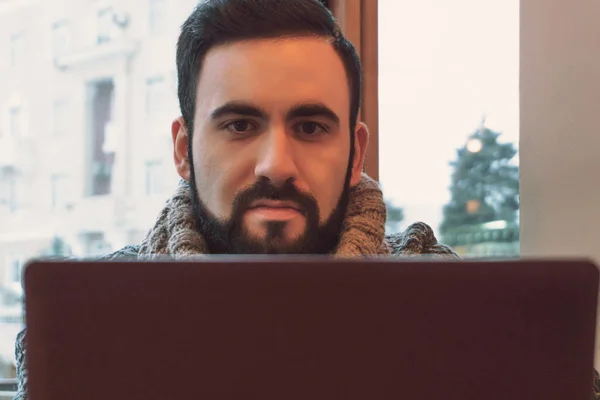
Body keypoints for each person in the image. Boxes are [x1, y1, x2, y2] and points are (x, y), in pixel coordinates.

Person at [12, 1, 598, 399]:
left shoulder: (461, 312)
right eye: (240, 125)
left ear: (355, 149)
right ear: (184, 150)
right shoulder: (90, 326)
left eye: (312, 127)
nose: (276, 165)